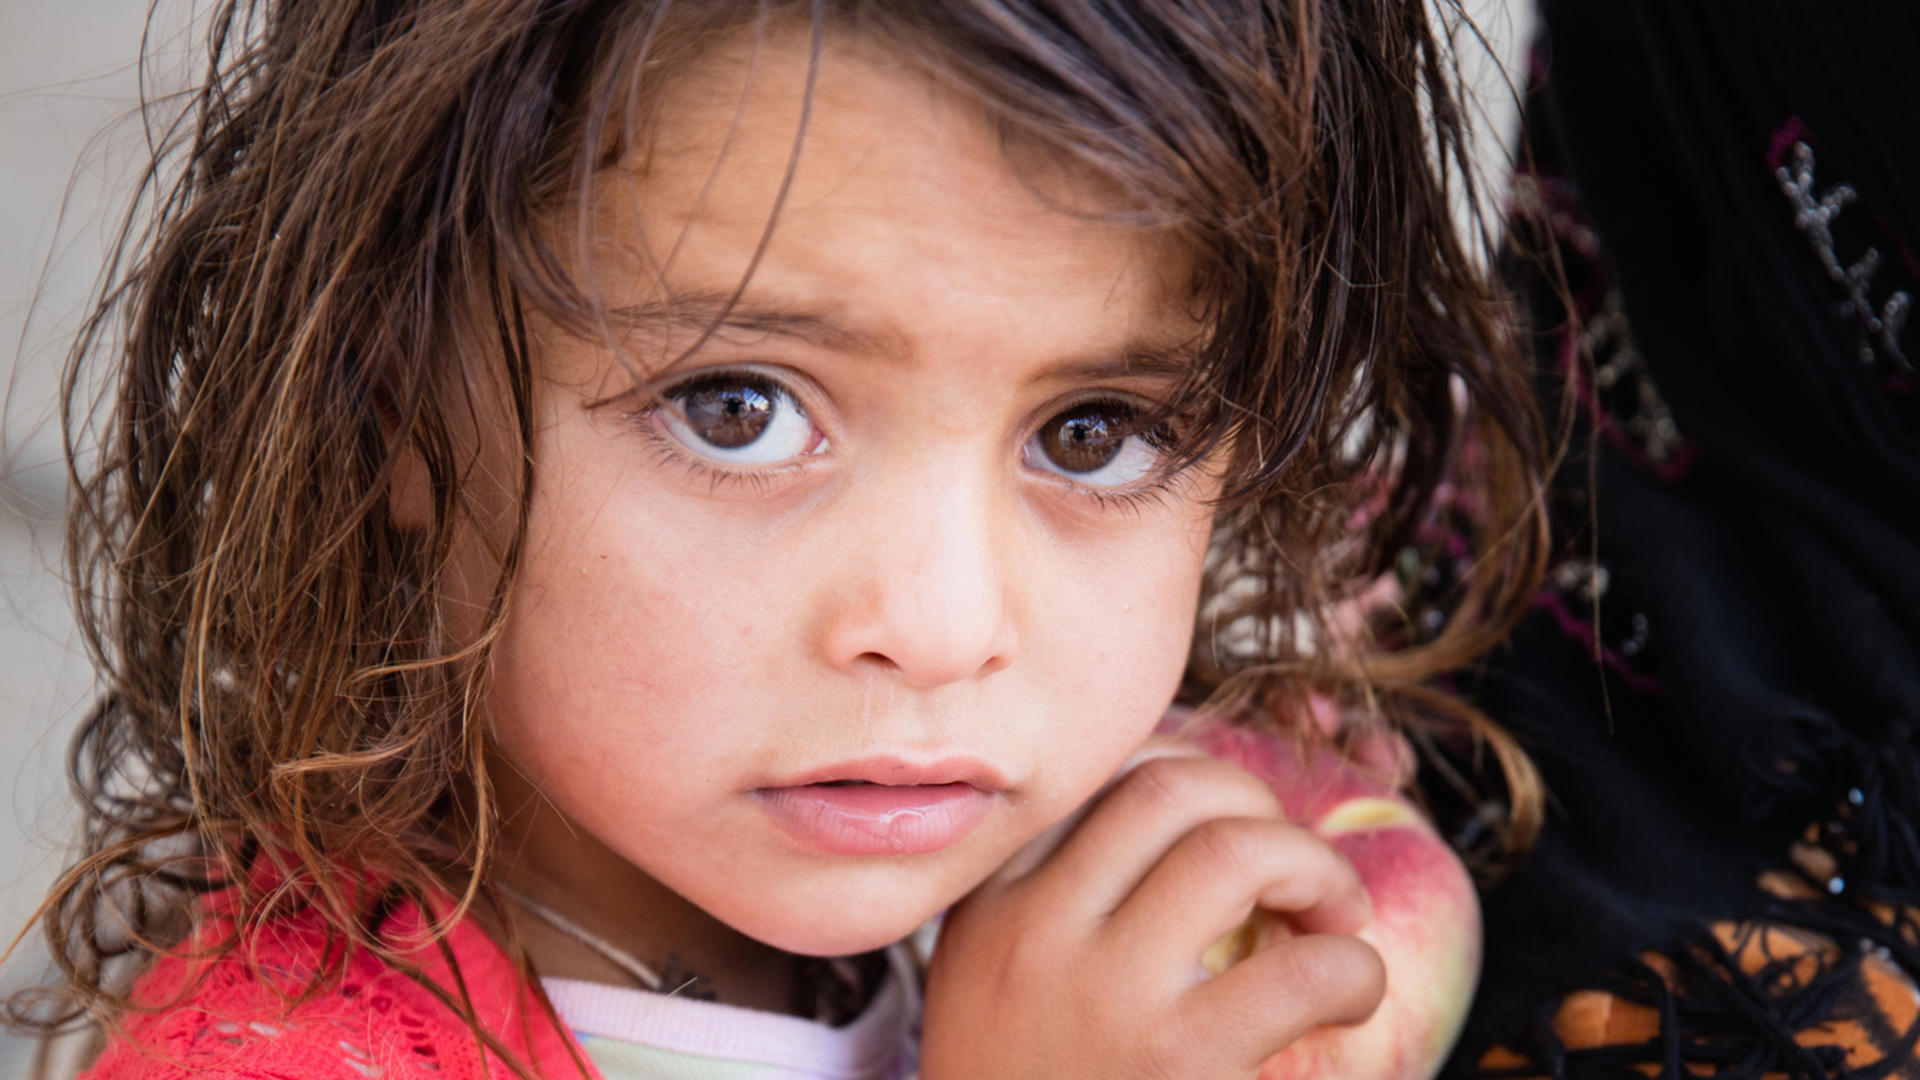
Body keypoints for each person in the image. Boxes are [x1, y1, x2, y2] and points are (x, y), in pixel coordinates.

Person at [2, 1, 1550, 1077]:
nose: (941, 627)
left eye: (1094, 432)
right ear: (390, 388)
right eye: (738, 409)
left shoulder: (1018, 899)